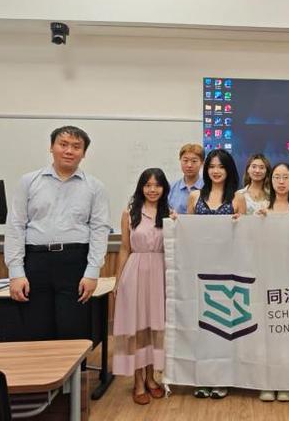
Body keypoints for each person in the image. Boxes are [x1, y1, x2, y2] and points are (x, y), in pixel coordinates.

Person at [4, 126, 111, 342]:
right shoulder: (29, 181)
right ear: (51, 147)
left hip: (75, 263)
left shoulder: (95, 187)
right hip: (35, 262)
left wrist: (92, 272)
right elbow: (15, 226)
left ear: (84, 153)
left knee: (73, 330)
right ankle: (39, 366)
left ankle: (73, 367)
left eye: (76, 147)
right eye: (63, 145)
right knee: (36, 330)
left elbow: (99, 230)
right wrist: (16, 272)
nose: (69, 151)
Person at [187, 149, 246, 399]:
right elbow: (187, 232)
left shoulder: (238, 198)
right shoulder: (195, 196)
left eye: (221, 166)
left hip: (228, 272)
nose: (216, 170)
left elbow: (244, 237)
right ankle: (202, 378)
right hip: (200, 271)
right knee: (201, 326)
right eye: (211, 166)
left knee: (224, 325)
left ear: (229, 169)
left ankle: (222, 378)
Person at [113, 168, 170, 405]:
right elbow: (124, 248)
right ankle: (137, 381)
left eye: (157, 185)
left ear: (164, 188)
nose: (152, 190)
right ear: (141, 187)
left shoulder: (169, 214)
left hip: (160, 273)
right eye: (147, 185)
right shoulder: (129, 213)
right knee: (136, 328)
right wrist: (118, 281)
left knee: (154, 327)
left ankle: (151, 377)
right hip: (134, 272)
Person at [256, 163, 289, 402]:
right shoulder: (262, 208)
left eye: (286, 177)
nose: (281, 181)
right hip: (268, 277)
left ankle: (287, 382)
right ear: (271, 180)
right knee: (267, 333)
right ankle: (267, 382)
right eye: (277, 177)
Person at [168, 143, 204, 214]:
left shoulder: (208, 187)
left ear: (202, 163)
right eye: (185, 160)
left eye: (194, 161)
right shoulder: (171, 188)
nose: (189, 165)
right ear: (180, 161)